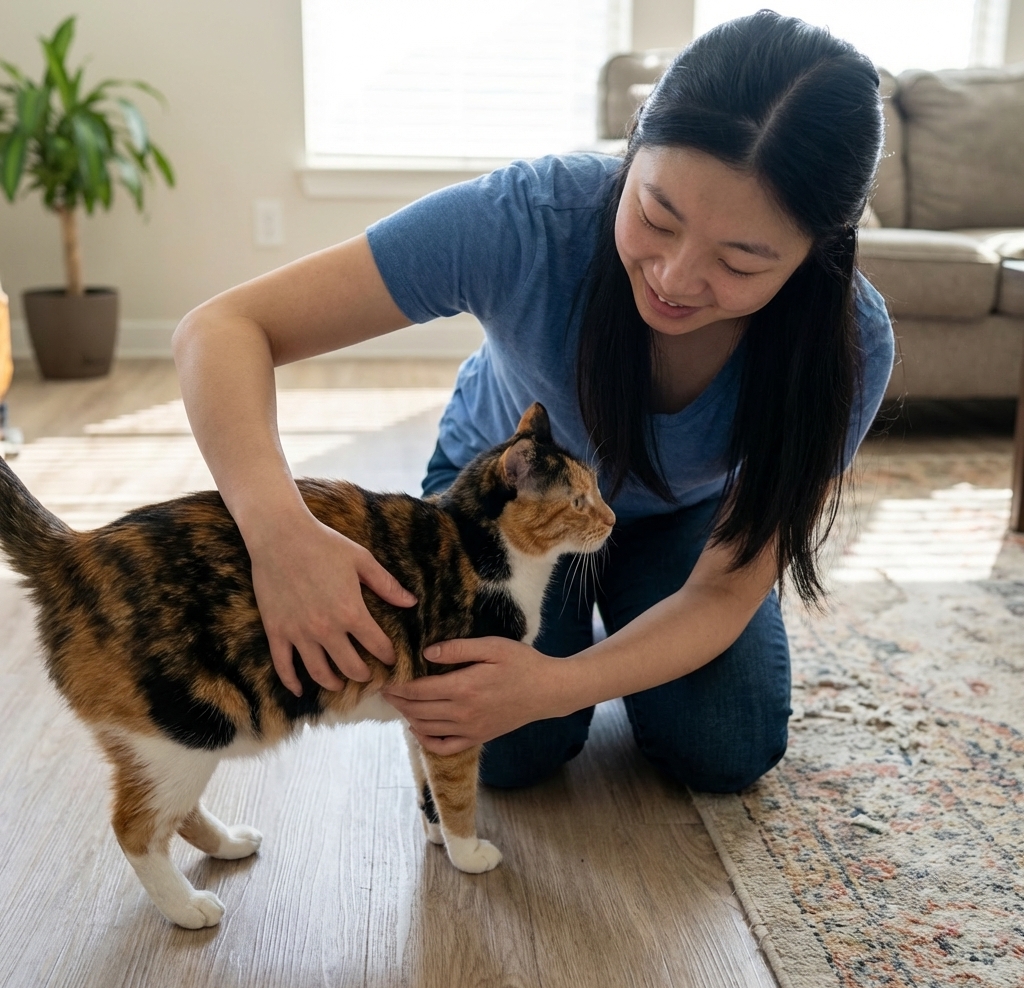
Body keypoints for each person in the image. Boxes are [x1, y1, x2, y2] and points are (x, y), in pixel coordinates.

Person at [173, 12, 893, 794]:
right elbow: (221, 328)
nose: (677, 279)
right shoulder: (527, 220)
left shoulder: (848, 345)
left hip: (684, 519)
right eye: (656, 216)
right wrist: (279, 535)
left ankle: (614, 620)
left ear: (819, 250)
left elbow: (724, 587)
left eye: (742, 261)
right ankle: (594, 634)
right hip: (500, 510)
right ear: (634, 146)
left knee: (724, 747)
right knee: (510, 758)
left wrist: (552, 683)